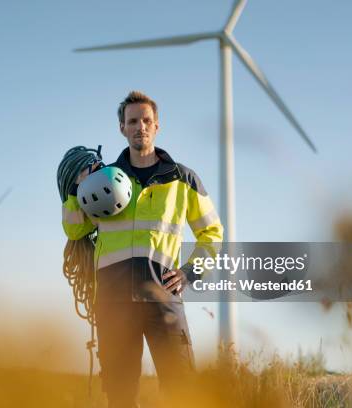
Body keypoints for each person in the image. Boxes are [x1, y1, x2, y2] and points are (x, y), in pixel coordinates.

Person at [61, 91, 223, 407]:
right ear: (122, 127)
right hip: (113, 301)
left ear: (157, 125)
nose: (140, 127)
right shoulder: (103, 180)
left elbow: (212, 233)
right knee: (121, 396)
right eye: (132, 121)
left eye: (146, 120)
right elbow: (75, 227)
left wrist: (190, 272)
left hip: (163, 298)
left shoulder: (183, 179)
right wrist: (76, 188)